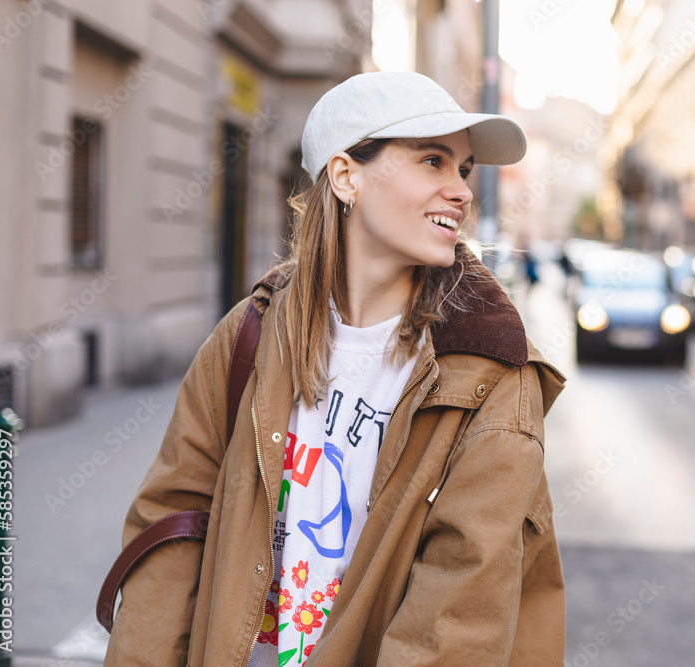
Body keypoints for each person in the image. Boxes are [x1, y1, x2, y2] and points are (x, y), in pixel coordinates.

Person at [104, 71, 566, 666]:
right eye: (433, 161)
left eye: (464, 169)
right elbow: (172, 523)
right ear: (347, 177)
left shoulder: (491, 376)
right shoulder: (251, 334)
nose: (461, 191)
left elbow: (452, 625)